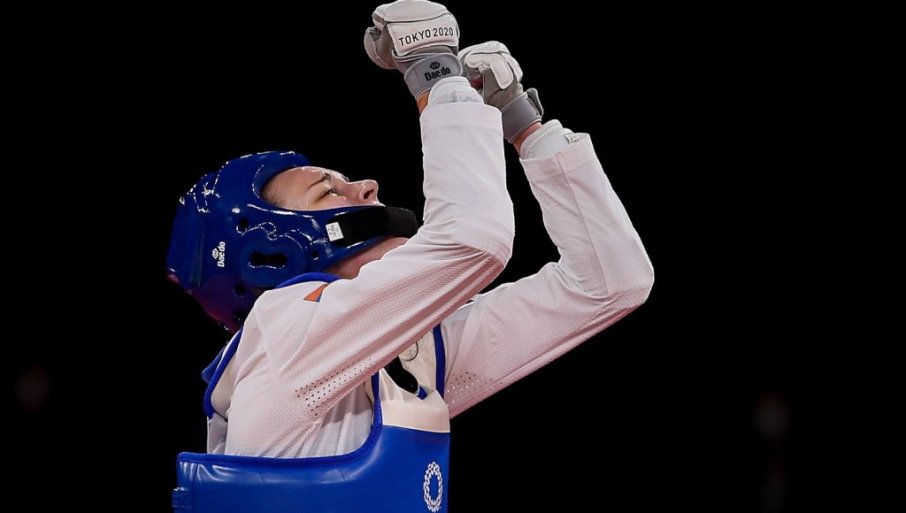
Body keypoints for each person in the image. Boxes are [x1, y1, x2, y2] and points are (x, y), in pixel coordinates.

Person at [167, 1, 653, 511]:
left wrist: (527, 129)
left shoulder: (395, 362)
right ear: (271, 255)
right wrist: (435, 76)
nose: (366, 186)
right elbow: (473, 239)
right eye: (327, 190)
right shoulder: (286, 330)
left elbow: (609, 282)